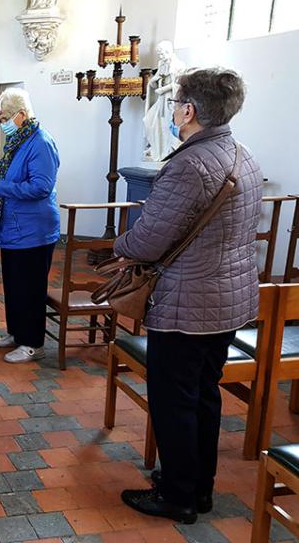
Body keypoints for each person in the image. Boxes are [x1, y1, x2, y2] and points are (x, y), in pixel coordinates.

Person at [113, 68, 262, 524]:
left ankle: (177, 495)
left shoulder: (188, 164)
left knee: (173, 399)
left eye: (177, 103)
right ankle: (199, 488)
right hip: (229, 300)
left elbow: (147, 241)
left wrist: (119, 247)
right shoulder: (242, 154)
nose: (174, 110)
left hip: (186, 304)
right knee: (203, 393)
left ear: (190, 111)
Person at [0, 88, 60, 363]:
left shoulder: (40, 142)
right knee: (14, 285)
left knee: (31, 287)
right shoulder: (18, 142)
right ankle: (17, 332)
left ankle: (33, 343)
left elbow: (41, 187)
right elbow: (10, 181)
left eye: (4, 118)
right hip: (14, 228)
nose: (1, 124)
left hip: (34, 230)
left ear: (22, 115)